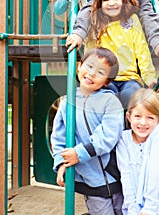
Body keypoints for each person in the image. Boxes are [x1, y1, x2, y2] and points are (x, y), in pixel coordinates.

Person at [51, 47, 124, 215]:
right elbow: (58, 137)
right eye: (89, 66)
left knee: (124, 210)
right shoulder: (67, 102)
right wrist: (61, 163)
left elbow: (108, 135)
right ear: (79, 67)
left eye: (100, 72)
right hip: (90, 179)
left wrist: (80, 152)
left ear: (107, 81)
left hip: (114, 174)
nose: (92, 74)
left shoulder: (110, 101)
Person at [82, 0, 157, 109]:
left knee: (133, 95)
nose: (111, 3)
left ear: (124, 0)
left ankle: (130, 127)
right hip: (104, 78)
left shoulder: (131, 20)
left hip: (130, 78)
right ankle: (109, 126)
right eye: (106, 0)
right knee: (106, 97)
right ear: (100, 3)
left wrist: (149, 78)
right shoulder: (96, 22)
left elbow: (142, 50)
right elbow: (90, 53)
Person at [116, 88, 159, 214]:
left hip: (158, 208)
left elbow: (154, 172)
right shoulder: (124, 140)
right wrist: (133, 209)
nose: (143, 122)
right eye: (137, 116)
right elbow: (126, 176)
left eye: (150, 118)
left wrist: (149, 208)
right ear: (128, 117)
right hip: (133, 208)